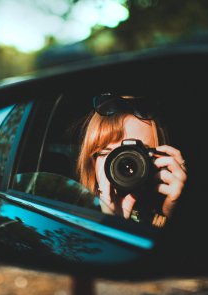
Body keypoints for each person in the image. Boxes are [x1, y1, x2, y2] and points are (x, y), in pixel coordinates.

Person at [77, 93, 187, 227]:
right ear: (92, 164)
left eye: (139, 152)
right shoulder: (76, 219)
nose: (125, 163)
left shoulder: (169, 208)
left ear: (163, 158)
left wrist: (176, 210)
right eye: (107, 152)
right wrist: (109, 222)